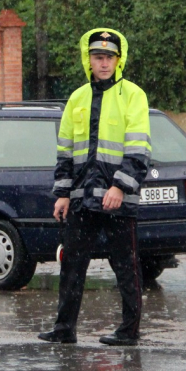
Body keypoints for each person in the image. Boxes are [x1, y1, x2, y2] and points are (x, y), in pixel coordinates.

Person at [38, 28, 151, 346]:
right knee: (72, 265)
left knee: (126, 267)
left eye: (109, 57)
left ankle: (129, 331)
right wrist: (62, 194)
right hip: (81, 199)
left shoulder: (133, 95)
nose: (103, 63)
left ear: (118, 60)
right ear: (88, 60)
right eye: (98, 57)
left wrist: (120, 187)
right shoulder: (77, 98)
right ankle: (64, 329)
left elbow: (139, 149)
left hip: (118, 199)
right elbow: (65, 151)